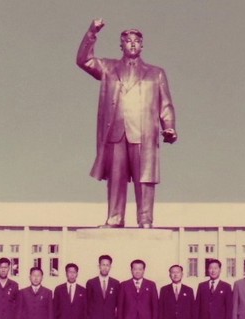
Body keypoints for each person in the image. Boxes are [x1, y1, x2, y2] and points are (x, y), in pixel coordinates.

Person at [76, 18, 177, 228]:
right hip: (116, 131)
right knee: (116, 179)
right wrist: (92, 32)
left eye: (136, 41)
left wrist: (169, 126)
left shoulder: (156, 73)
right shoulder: (108, 67)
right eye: (128, 41)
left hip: (144, 132)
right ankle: (115, 218)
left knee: (145, 178)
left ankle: (145, 219)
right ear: (121, 45)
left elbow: (165, 103)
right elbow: (84, 60)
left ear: (142, 46)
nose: (132, 44)